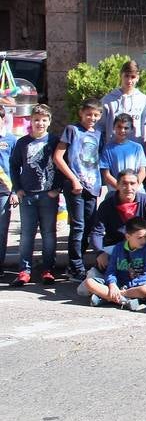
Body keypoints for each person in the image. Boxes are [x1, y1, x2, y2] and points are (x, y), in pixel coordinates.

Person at [8, 104, 61, 287]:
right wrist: (18, 188)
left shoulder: (54, 141)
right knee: (27, 234)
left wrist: (57, 188)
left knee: (48, 233)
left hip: (48, 195)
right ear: (30, 121)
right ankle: (24, 270)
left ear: (49, 121)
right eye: (36, 120)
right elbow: (14, 165)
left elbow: (62, 164)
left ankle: (48, 269)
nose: (40, 123)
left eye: (44, 120)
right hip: (28, 195)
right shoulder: (22, 142)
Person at [54, 99, 103, 282]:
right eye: (88, 114)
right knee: (78, 226)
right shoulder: (72, 130)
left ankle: (75, 263)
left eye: (96, 115)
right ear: (81, 113)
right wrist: (73, 179)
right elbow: (58, 157)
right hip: (75, 185)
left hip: (92, 186)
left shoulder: (98, 134)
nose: (92, 118)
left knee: (89, 226)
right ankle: (76, 266)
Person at [98, 112, 146, 188]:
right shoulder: (107, 149)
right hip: (116, 190)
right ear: (113, 128)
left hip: (136, 189)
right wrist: (121, 189)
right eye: (119, 127)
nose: (122, 130)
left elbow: (142, 171)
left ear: (132, 129)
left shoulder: (137, 148)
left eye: (126, 128)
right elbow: (106, 174)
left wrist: (133, 187)